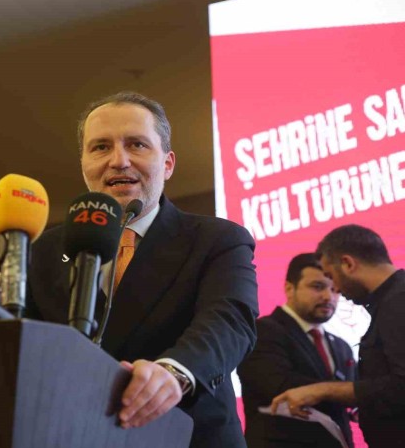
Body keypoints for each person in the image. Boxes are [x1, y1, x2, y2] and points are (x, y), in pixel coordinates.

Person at [27, 91, 258, 448]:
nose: (119, 161)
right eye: (100, 147)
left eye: (136, 144)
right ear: (84, 163)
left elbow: (230, 320)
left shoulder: (217, 239)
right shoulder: (45, 250)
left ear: (168, 163)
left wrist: (174, 373)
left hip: (187, 436)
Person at [271, 224, 405, 448]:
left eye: (331, 277)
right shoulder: (391, 301)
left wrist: (323, 390)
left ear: (348, 264)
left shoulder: (398, 302)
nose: (336, 292)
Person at [238, 253, 356, 448]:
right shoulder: (261, 332)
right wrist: (348, 392)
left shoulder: (341, 346)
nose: (328, 296)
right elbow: (281, 387)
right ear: (289, 288)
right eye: (317, 286)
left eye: (335, 289)